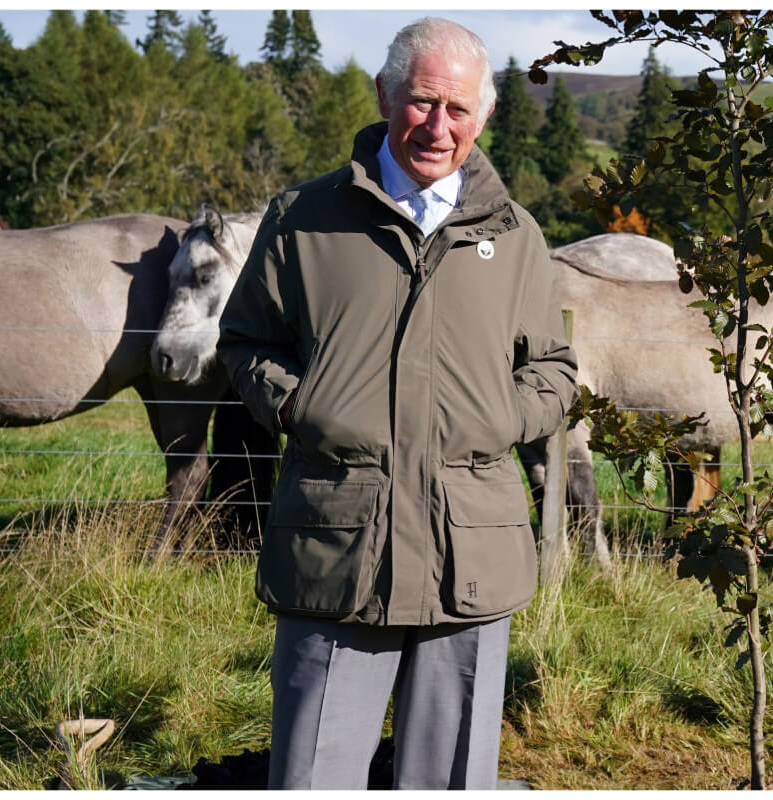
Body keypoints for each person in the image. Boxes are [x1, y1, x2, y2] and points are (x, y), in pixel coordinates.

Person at [217, 17, 577, 790]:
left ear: (483, 116)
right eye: (421, 102)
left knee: (451, 780)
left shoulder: (515, 237)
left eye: (457, 109)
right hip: (337, 543)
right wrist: (300, 407)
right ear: (385, 96)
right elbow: (246, 343)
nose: (437, 127)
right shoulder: (302, 220)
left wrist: (501, 420)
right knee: (315, 774)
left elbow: (552, 367)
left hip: (469, 551)